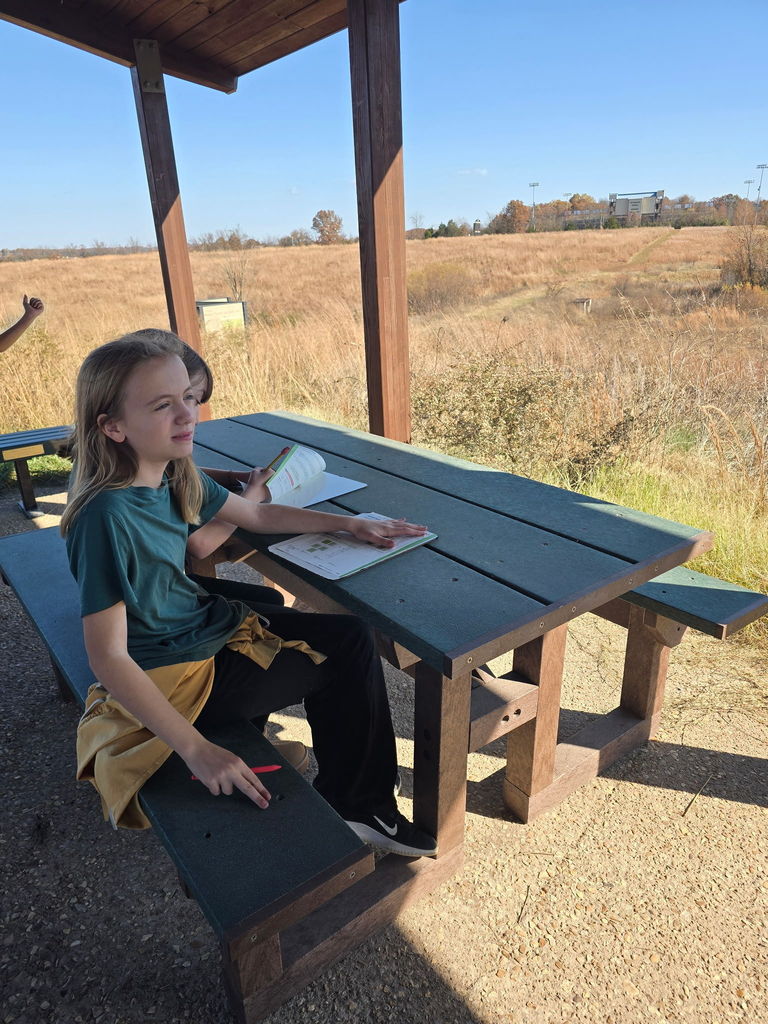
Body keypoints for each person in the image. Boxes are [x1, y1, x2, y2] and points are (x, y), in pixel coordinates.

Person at [61, 332, 436, 857]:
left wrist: (349, 523)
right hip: (176, 675)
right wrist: (197, 750)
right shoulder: (105, 518)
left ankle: (329, 773)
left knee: (292, 614)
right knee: (349, 644)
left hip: (192, 624)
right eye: (163, 405)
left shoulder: (169, 473)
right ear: (113, 427)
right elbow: (107, 655)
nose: (186, 415)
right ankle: (360, 805)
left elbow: (256, 514)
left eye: (188, 398)